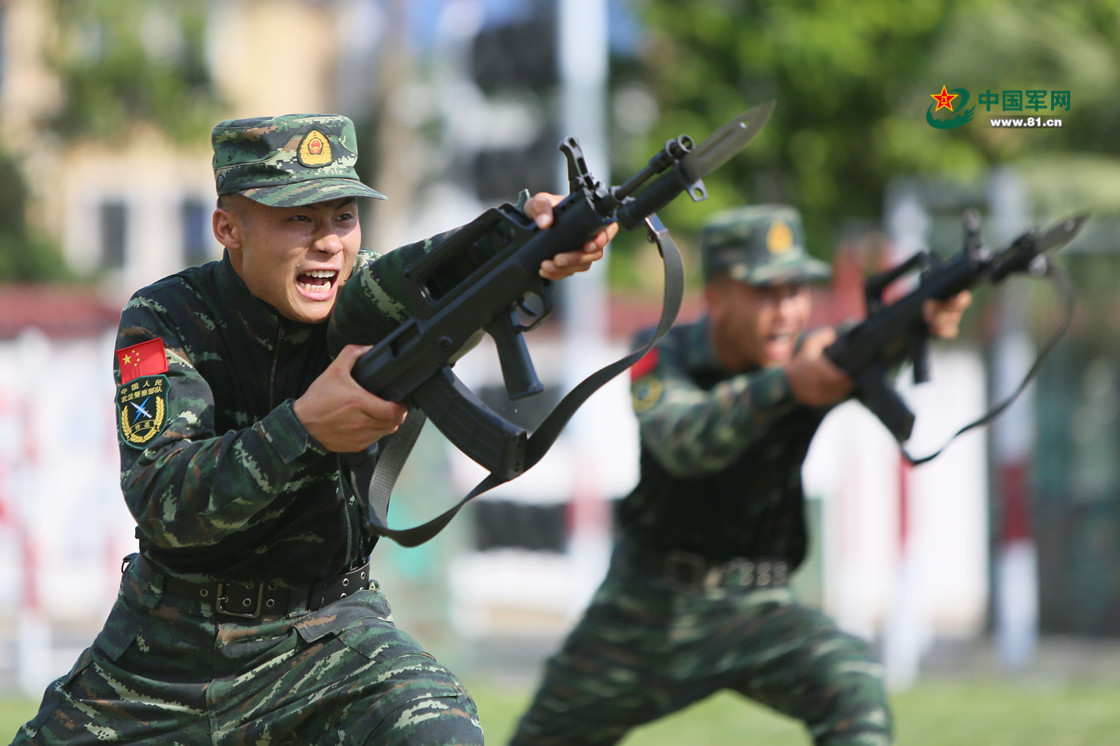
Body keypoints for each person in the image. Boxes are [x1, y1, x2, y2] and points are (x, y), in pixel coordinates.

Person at [12, 113, 612, 746]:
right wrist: (303, 428)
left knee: (439, 732)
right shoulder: (167, 317)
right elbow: (164, 501)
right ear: (228, 228)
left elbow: (442, 264)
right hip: (166, 658)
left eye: (343, 217)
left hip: (326, 637)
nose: (329, 243)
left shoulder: (368, 296)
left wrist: (538, 235)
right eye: (299, 219)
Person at [510, 203, 972, 746]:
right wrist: (785, 387)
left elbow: (871, 342)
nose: (786, 311)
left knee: (853, 680)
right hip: (648, 613)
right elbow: (685, 441)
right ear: (717, 298)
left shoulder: (812, 356)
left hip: (762, 613)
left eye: (796, 291)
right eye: (765, 292)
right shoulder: (664, 350)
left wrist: (923, 318)